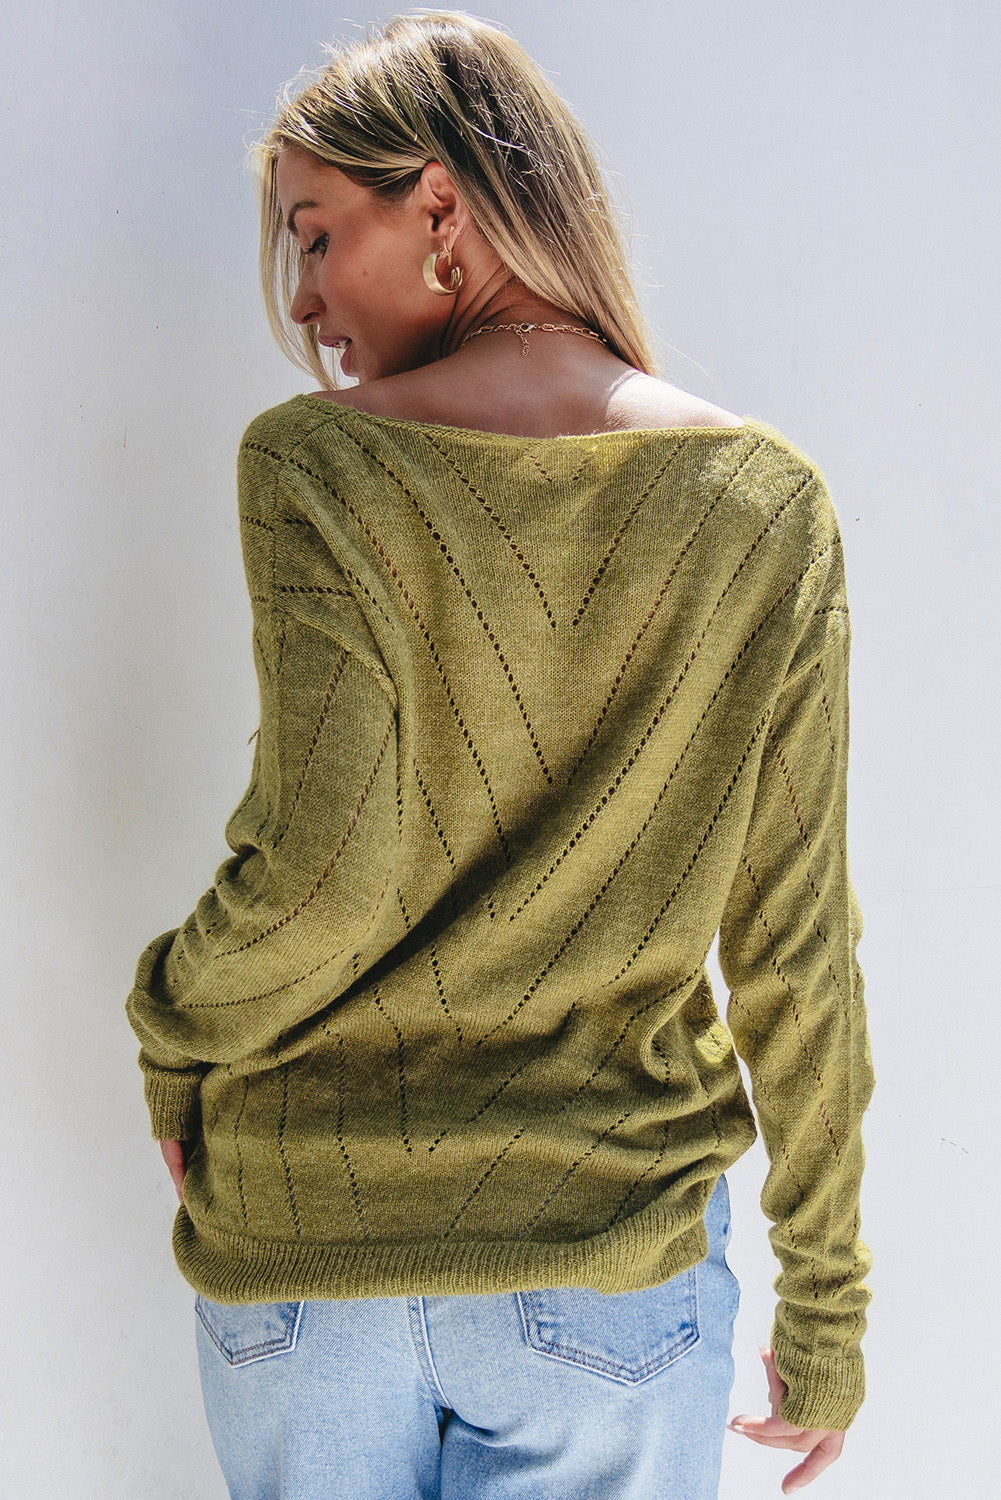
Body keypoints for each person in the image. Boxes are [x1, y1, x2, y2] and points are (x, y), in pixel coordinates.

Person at [126, 10, 873, 1498]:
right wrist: (827, 1306)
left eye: (317, 236)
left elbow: (324, 876)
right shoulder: (764, 508)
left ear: (440, 207)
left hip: (308, 1249)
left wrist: (168, 1027)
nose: (305, 299)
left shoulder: (321, 461)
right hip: (606, 1261)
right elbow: (793, 947)